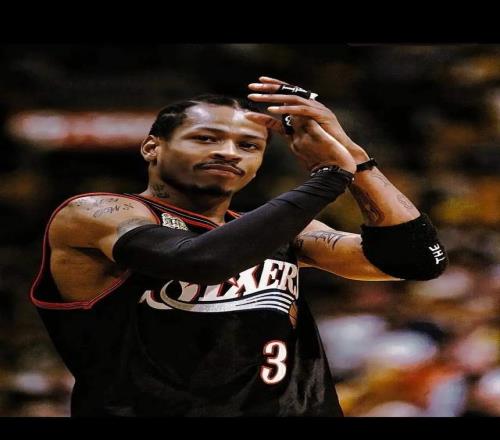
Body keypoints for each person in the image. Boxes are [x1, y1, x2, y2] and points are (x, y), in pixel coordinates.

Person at [30, 76, 448, 417]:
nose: (228, 153)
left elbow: (418, 261)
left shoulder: (283, 230)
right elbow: (199, 259)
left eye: (248, 145)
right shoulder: (95, 214)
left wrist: (356, 160)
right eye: (206, 138)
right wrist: (329, 177)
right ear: (152, 148)